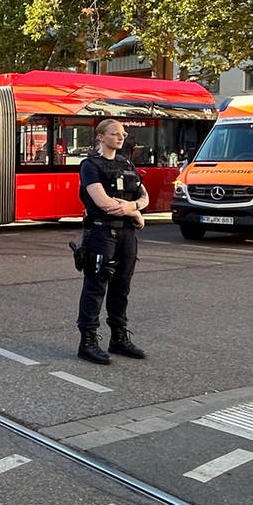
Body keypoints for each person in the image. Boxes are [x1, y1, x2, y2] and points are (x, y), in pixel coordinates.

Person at [76, 118, 148, 364]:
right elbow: (102, 202)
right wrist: (135, 212)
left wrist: (134, 207)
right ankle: (87, 341)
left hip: (127, 234)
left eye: (123, 133)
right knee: (95, 287)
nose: (121, 137)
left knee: (122, 286)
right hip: (102, 233)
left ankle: (118, 338)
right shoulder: (90, 165)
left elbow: (144, 195)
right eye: (115, 133)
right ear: (101, 137)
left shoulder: (126, 163)